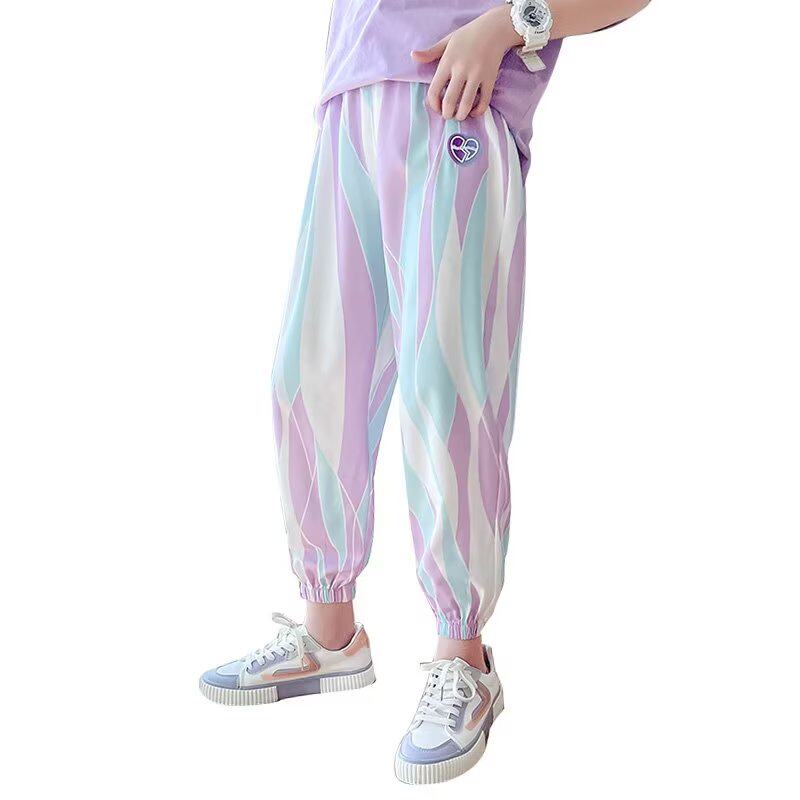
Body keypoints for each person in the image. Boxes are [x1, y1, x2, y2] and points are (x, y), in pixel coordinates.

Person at [200, 0, 650, 784]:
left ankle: (462, 655)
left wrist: (510, 25)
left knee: (447, 385)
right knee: (311, 369)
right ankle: (329, 630)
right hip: (351, 98)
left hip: (458, 100)